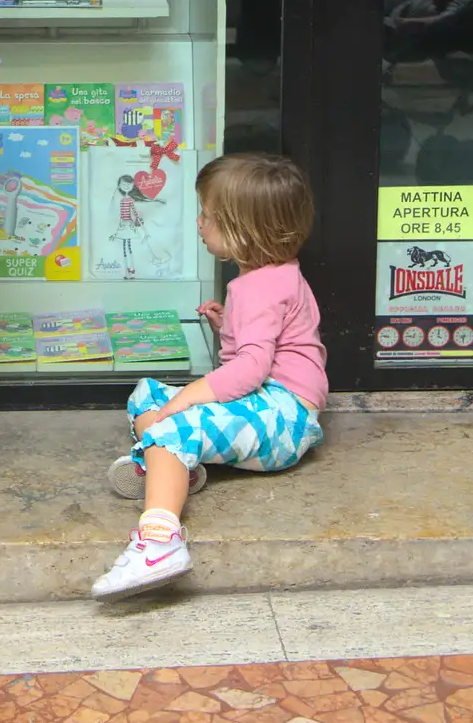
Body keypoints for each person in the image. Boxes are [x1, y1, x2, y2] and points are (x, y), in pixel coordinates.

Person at [92, 152, 327, 600]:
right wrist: (229, 329)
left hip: (284, 417)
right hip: (271, 407)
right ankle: (178, 465)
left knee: (173, 419)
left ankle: (160, 541)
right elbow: (267, 345)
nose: (199, 223)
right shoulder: (272, 277)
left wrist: (189, 399)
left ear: (244, 230)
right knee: (150, 394)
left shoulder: (258, 288)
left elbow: (253, 369)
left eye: (208, 215)